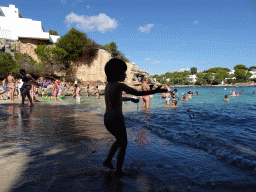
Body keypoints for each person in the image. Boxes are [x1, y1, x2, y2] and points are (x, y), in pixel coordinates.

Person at [103, 58, 168, 177]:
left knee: (119, 140)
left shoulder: (108, 86)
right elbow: (138, 92)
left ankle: (108, 161)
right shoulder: (119, 85)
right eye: (124, 72)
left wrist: (130, 99)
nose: (125, 74)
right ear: (117, 73)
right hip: (117, 118)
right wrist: (156, 91)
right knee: (124, 144)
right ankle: (118, 171)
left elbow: (119, 98)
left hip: (107, 118)